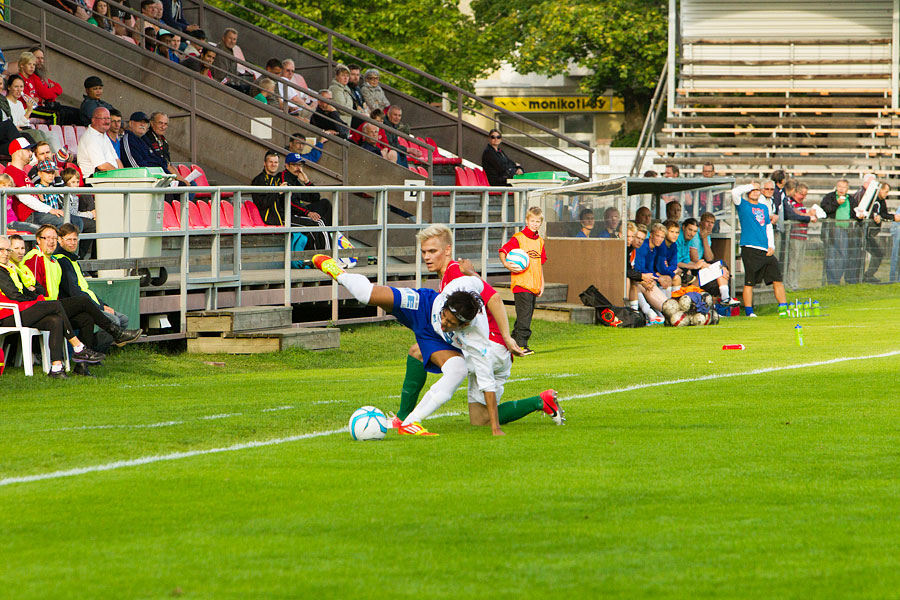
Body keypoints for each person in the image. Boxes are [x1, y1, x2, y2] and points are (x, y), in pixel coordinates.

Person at [312, 251, 530, 436]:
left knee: (458, 370)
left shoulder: (476, 339)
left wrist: (495, 428)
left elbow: (487, 385)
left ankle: (409, 422)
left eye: (451, 323)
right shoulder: (464, 283)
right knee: (365, 294)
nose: (444, 323)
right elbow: (492, 295)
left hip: (435, 339)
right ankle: (337, 271)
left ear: (464, 325)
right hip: (423, 306)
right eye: (445, 317)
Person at [391, 224, 563, 432]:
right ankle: (541, 401)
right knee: (479, 418)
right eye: (424, 252)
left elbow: (495, 297)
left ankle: (402, 419)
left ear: (447, 250)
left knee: (418, 351)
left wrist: (507, 338)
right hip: (495, 350)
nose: (427, 257)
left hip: (490, 346)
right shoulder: (450, 276)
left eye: (432, 251)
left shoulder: (455, 274)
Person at [0, 235, 105, 378]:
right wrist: (35, 299)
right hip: (7, 315)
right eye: (2, 250)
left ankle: (56, 367)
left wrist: (34, 295)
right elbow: (15, 295)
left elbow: (31, 290)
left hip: (19, 311)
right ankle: (78, 346)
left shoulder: (9, 268)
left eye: (7, 250)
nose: (5, 253)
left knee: (56, 320)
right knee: (56, 305)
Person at [24, 224, 143, 350]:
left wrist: (102, 305)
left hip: (54, 306)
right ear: (38, 239)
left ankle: (84, 362)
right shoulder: (37, 258)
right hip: (43, 307)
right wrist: (99, 307)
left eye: (53, 238)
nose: (51, 242)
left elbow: (80, 289)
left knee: (87, 319)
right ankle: (115, 333)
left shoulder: (53, 260)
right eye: (47, 238)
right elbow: (38, 290)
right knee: (88, 305)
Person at [55, 223, 130, 330]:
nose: (72, 243)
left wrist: (103, 304)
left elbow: (86, 290)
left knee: (124, 319)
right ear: (60, 240)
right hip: (78, 305)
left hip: (89, 302)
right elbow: (74, 292)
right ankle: (98, 346)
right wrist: (100, 308)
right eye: (69, 239)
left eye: (75, 239)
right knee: (115, 321)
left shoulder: (73, 260)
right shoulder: (62, 260)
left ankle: (103, 345)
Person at [731, 181, 788, 317]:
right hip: (750, 248)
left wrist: (771, 246)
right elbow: (734, 192)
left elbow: (768, 227)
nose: (755, 191)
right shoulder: (743, 205)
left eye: (757, 189)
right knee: (749, 282)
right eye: (753, 190)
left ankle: (784, 308)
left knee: (777, 279)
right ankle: (749, 311)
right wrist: (750, 186)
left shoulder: (763, 207)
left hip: (765, 249)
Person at [498, 206, 546, 354]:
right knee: (524, 316)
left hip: (534, 285)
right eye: (532, 221)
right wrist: (506, 264)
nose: (535, 224)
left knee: (525, 315)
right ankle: (521, 345)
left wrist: (542, 284)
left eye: (538, 221)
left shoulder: (540, 242)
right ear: (526, 221)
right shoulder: (518, 238)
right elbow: (503, 251)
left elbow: (540, 265)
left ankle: (511, 342)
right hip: (521, 284)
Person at [677, 216, 736, 304]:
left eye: (694, 231)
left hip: (691, 267)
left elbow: (708, 258)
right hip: (683, 269)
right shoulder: (680, 238)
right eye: (690, 230)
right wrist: (695, 266)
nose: (692, 233)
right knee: (718, 269)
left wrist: (704, 264)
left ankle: (725, 297)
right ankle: (724, 298)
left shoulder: (689, 239)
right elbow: (680, 262)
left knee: (720, 264)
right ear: (683, 227)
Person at [3, 74, 60, 152]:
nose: (19, 90)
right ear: (9, 87)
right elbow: (14, 125)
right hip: (16, 133)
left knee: (45, 133)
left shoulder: (19, 103)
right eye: (16, 87)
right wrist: (29, 111)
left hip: (25, 128)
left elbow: (26, 122)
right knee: (36, 133)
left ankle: (52, 155)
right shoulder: (6, 103)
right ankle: (43, 156)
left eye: (21, 87)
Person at [821, 178, 859, 285]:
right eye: (839, 187)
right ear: (836, 187)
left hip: (846, 231)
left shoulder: (851, 200)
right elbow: (825, 209)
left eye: (844, 187)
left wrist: (859, 216)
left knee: (843, 256)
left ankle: (836, 279)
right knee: (831, 256)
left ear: (847, 189)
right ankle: (832, 281)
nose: (841, 189)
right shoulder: (830, 197)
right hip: (831, 230)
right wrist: (836, 203)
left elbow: (854, 213)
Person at [626, 222, 666, 324]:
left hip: (639, 277)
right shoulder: (637, 249)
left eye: (642, 239)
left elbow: (651, 268)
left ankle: (662, 312)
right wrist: (642, 278)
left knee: (652, 282)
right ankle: (648, 313)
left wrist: (656, 277)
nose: (639, 241)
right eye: (635, 237)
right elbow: (633, 270)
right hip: (631, 279)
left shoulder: (636, 249)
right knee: (636, 282)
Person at [782, 182, 817, 290]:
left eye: (805, 195)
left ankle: (795, 283)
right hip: (794, 236)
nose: (803, 197)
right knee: (793, 261)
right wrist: (809, 215)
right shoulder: (791, 203)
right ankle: (789, 283)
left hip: (802, 236)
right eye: (801, 194)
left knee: (799, 262)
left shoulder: (801, 205)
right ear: (795, 192)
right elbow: (796, 215)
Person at [281, 153, 332, 226]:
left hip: (299, 211)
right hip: (289, 214)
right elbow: (289, 202)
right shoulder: (283, 177)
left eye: (300, 165)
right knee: (319, 222)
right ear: (287, 166)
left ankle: (329, 233)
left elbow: (315, 198)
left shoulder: (295, 179)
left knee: (325, 204)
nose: (298, 168)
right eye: (295, 165)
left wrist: (307, 182)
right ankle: (327, 234)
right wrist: (307, 212)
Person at [32, 159, 83, 231]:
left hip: (56, 213)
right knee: (62, 221)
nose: (51, 175)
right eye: (47, 172)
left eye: (52, 173)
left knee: (78, 221)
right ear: (40, 174)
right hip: (44, 215)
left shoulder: (54, 187)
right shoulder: (37, 188)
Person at [858, 182, 892, 283]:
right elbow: (865, 211)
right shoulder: (871, 200)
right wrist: (874, 216)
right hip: (864, 232)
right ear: (879, 190)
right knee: (875, 253)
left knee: (878, 253)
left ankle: (868, 275)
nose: (887, 194)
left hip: (870, 234)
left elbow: (883, 214)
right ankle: (861, 277)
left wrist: (893, 217)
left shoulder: (882, 201)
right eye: (885, 191)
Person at [76, 107, 123, 177]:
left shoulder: (103, 135)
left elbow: (116, 159)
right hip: (94, 181)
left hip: (110, 177)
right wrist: (120, 176)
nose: (107, 122)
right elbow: (102, 166)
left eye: (108, 118)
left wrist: (123, 175)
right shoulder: (90, 137)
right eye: (103, 119)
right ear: (94, 120)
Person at [250, 151, 285, 225]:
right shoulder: (259, 180)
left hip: (281, 217)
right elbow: (261, 204)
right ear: (264, 163)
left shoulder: (277, 180)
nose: (273, 165)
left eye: (276, 162)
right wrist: (278, 192)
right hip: (268, 220)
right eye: (270, 162)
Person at [328, 64, 354, 129]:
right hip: (338, 124)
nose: (345, 78)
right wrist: (359, 113)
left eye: (347, 76)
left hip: (346, 123)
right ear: (336, 76)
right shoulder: (335, 89)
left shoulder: (346, 89)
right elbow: (342, 109)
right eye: (342, 75)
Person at [346, 64, 367, 130]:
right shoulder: (346, 88)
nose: (356, 77)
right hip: (352, 118)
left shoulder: (357, 88)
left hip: (362, 115)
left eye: (358, 75)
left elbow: (364, 104)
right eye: (353, 74)